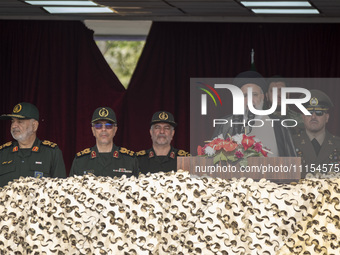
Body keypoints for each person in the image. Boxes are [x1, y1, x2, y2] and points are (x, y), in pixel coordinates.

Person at [212, 71, 296, 157]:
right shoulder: (225, 125)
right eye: (245, 95)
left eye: (254, 95)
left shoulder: (279, 124)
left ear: (262, 97)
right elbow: (212, 160)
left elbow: (292, 162)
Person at [0, 102, 66, 187]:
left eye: (20, 121)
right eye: (13, 121)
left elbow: (60, 191)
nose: (14, 126)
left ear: (34, 126)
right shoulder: (2, 153)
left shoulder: (51, 153)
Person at [69, 107, 138, 178]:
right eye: (98, 126)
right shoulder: (80, 161)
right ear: (93, 130)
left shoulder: (130, 160)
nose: (103, 129)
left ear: (115, 130)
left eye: (108, 125)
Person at [293, 90, 340, 177]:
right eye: (309, 113)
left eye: (319, 113)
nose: (313, 117)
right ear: (303, 117)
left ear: (326, 117)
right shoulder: (291, 143)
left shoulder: (338, 144)